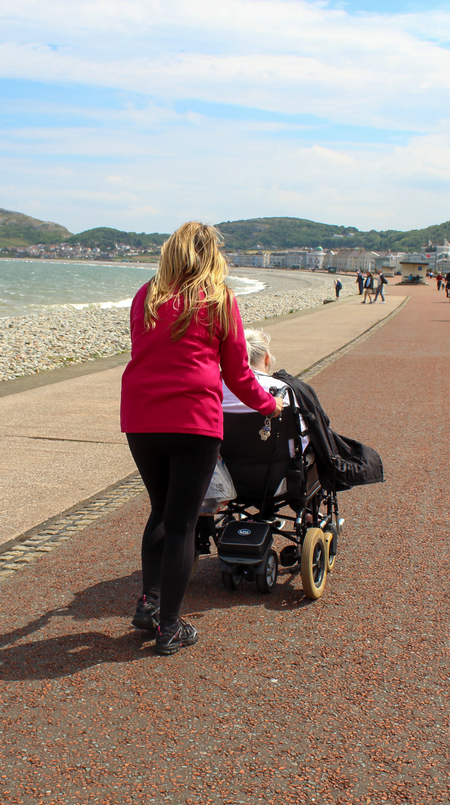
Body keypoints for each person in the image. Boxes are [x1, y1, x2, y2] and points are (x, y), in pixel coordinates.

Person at [120, 221, 284, 655]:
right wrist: (270, 405)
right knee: (182, 524)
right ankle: (170, 627)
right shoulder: (217, 299)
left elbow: (146, 353)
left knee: (160, 512)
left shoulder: (146, 295)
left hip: (141, 418)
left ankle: (149, 600)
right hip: (192, 420)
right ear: (212, 256)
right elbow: (239, 374)